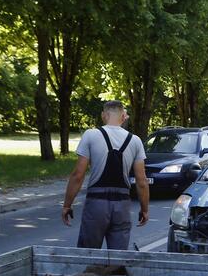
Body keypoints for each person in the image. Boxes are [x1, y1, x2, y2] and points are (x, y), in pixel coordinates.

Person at [62, 101, 149, 249]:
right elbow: (142, 181)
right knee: (117, 259)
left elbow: (78, 175)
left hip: (96, 204)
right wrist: (144, 209)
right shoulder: (135, 141)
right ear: (123, 116)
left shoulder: (91, 135)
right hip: (122, 205)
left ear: (104, 115)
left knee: (88, 254)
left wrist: (67, 205)